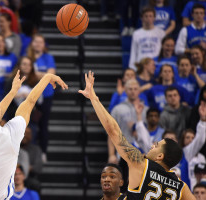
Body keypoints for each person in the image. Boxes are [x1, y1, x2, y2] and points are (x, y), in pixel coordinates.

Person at [79, 71, 196, 199]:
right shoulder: (181, 187)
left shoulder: (141, 164)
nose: (152, 146)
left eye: (156, 146)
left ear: (160, 156)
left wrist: (93, 98)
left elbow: (113, 130)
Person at [0, 72, 68, 199]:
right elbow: (30, 102)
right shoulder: (8, 135)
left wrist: (13, 91)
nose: (1, 107)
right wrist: (46, 78)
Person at [27, 34, 56, 161]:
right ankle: (30, 151)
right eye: (36, 42)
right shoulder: (28, 57)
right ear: (32, 43)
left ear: (44, 45)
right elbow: (25, 73)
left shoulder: (48, 58)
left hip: (46, 95)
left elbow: (51, 76)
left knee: (43, 124)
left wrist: (33, 73)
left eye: (41, 42)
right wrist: (43, 75)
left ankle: (43, 151)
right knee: (30, 125)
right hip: (30, 95)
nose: (38, 44)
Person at [109, 79, 149, 165]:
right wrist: (111, 154)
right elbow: (111, 133)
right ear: (125, 91)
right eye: (130, 89)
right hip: (124, 152)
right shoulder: (117, 109)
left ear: (139, 91)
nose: (133, 91)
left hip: (144, 152)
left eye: (135, 89)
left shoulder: (146, 110)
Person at [21, 127, 42, 191]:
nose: (25, 135)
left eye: (27, 133)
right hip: (12, 177)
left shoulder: (36, 149)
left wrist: (26, 169)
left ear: (31, 136)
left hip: (29, 177)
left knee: (35, 184)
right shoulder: (13, 147)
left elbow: (38, 167)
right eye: (23, 133)